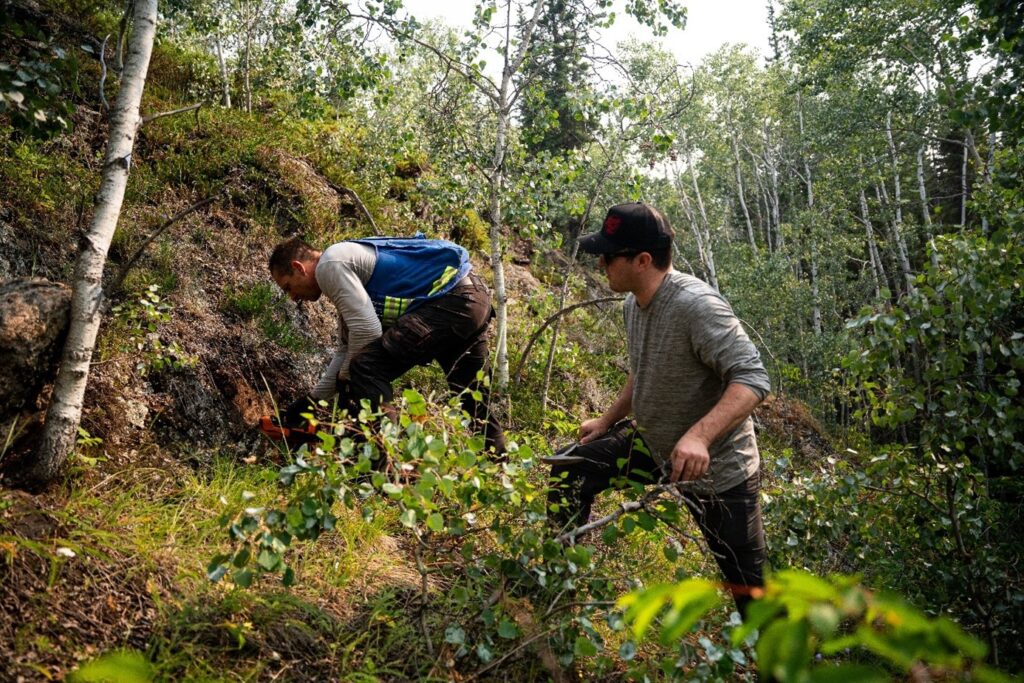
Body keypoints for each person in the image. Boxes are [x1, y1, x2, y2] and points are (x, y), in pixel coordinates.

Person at [547, 202, 770, 615]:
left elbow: (752, 380)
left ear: (643, 260)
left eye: (609, 255)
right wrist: (607, 420)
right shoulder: (634, 303)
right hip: (653, 445)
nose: (601, 263)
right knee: (570, 466)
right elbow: (643, 367)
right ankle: (558, 594)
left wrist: (700, 437)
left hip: (719, 471)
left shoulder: (696, 306)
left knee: (751, 596)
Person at [268, 233, 505, 454]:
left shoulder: (330, 266)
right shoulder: (343, 267)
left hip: (452, 300)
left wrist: (346, 377)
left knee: (366, 366)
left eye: (289, 287)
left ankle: (381, 466)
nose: (293, 297)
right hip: (471, 297)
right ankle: (498, 468)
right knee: (473, 397)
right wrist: (310, 402)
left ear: (298, 268)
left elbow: (367, 331)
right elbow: (346, 348)